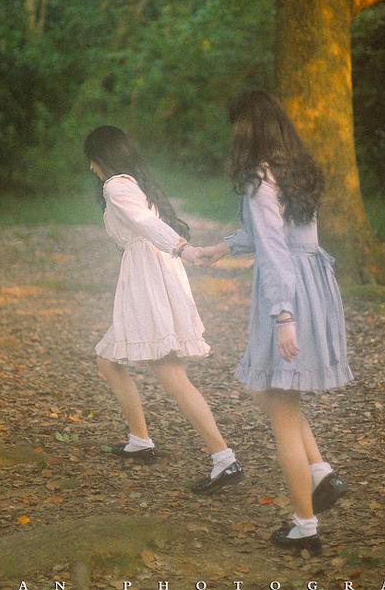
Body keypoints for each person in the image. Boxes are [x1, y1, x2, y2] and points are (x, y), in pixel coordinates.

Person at [194, 90, 354, 554]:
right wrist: (222, 248)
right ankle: (320, 473)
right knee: (272, 393)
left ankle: (305, 527)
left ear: (248, 129)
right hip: (313, 283)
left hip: (289, 291)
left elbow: (274, 248)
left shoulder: (259, 178)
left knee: (282, 411)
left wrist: (284, 315)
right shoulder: (295, 168)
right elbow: (271, 233)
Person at [83, 125, 243, 494]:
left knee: (171, 373)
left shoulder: (116, 185)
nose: (91, 168)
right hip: (150, 276)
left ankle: (224, 458)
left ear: (103, 157)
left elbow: (145, 224)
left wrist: (184, 249)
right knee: (108, 360)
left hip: (149, 281)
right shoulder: (135, 182)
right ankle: (140, 440)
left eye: (92, 159)